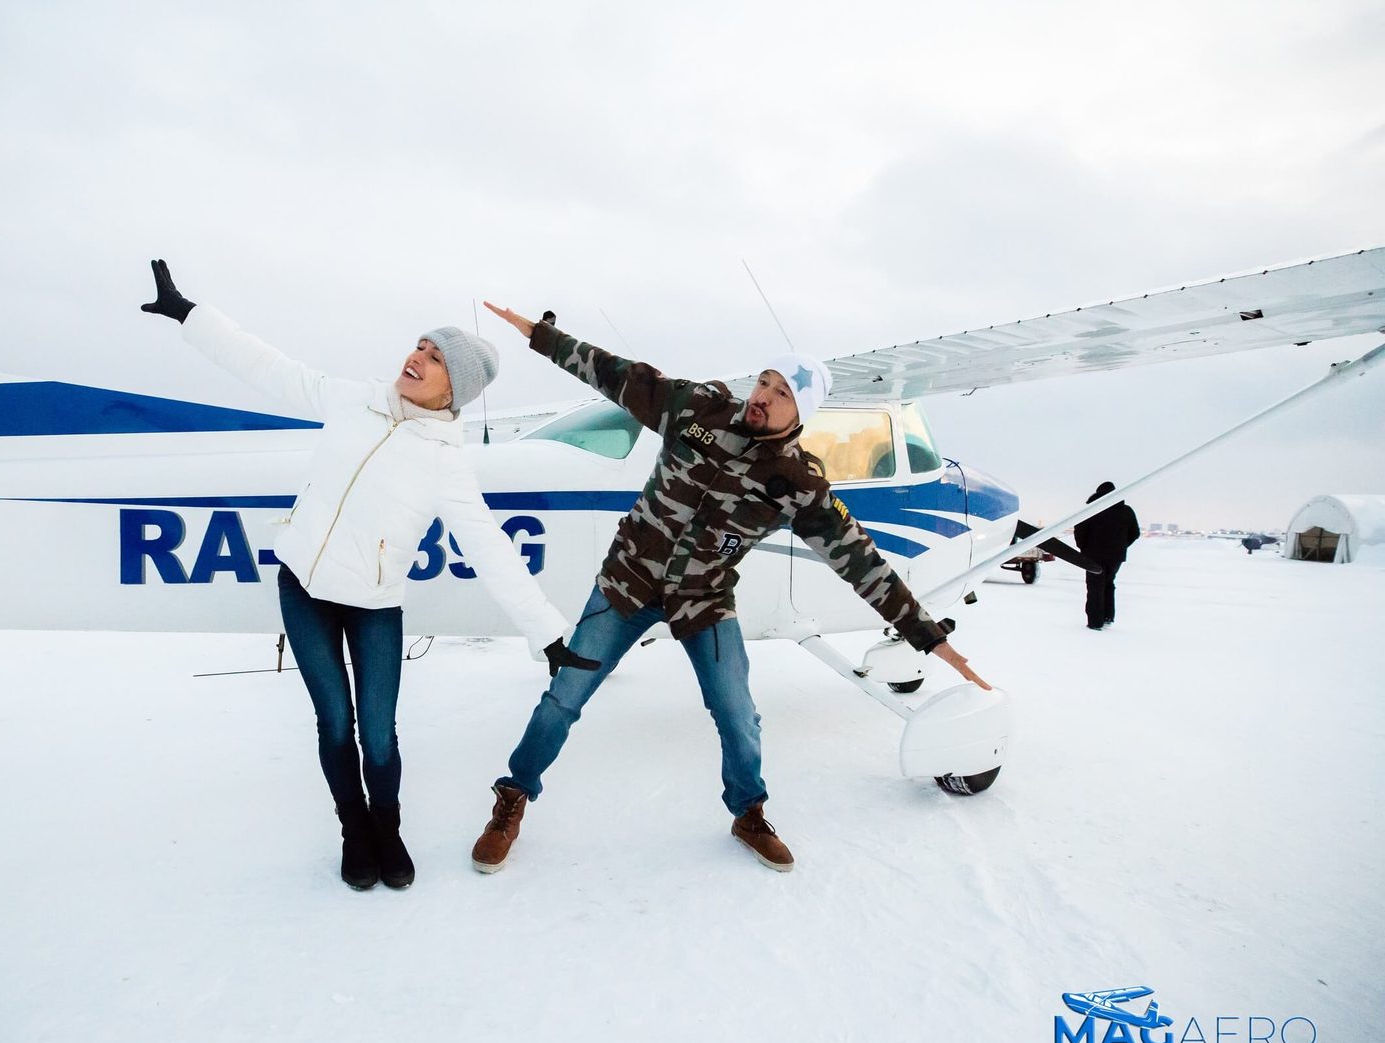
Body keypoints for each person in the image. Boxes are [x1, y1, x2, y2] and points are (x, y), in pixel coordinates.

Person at [471, 302, 991, 874]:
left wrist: (927, 636)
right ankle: (512, 799)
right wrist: (540, 335)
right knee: (564, 697)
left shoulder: (797, 481)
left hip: (704, 600)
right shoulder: (697, 408)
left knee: (737, 712)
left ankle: (748, 812)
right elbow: (615, 373)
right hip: (626, 584)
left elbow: (861, 561)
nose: (763, 394)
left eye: (782, 392)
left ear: (801, 412)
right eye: (764, 381)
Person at [141, 262, 598, 891]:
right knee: (335, 724)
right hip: (302, 589)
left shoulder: (446, 463)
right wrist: (191, 314)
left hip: (374, 605)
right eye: (421, 344)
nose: (418, 356)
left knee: (378, 735)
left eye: (435, 358)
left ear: (452, 391)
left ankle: (388, 828)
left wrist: (546, 633)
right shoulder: (352, 398)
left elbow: (492, 547)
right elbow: (269, 367)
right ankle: (355, 831)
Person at [1072, 481, 1140, 630]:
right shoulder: (1126, 511)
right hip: (1116, 557)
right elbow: (1135, 533)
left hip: (1093, 555)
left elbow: (1080, 530)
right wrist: (1121, 546)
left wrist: (1084, 547)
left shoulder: (1092, 509)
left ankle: (1095, 622)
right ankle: (1108, 616)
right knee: (1109, 583)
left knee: (1095, 586)